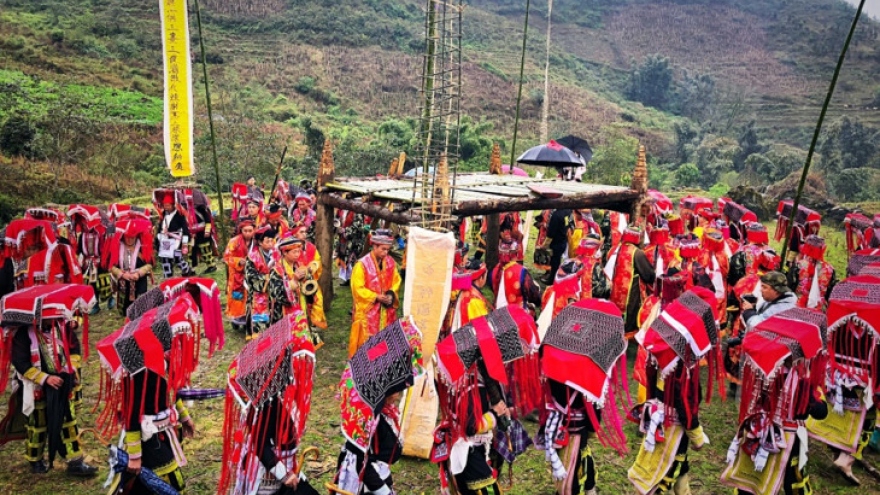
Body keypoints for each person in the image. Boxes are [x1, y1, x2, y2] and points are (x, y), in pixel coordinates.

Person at [720, 308, 828, 495]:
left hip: (755, 427)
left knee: (748, 480)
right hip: (785, 436)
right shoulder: (800, 379)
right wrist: (817, 397)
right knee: (794, 479)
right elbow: (819, 412)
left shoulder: (759, 366)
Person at [218, 312, 319, 495]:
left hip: (285, 465)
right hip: (270, 475)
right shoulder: (264, 404)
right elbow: (260, 444)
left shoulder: (275, 395)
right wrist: (284, 475)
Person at [1, 287, 98, 477]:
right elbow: (20, 363)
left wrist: (71, 369)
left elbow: (75, 349)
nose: (54, 319)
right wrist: (46, 379)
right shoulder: (23, 334)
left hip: (61, 384)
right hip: (36, 388)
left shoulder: (61, 326)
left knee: (68, 421)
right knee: (38, 426)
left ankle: (74, 461)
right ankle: (35, 459)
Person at [348, 229, 401, 357]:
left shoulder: (390, 262)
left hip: (385, 310)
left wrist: (391, 294)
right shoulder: (361, 265)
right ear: (374, 246)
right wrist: (375, 296)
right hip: (368, 312)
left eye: (388, 249)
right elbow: (357, 289)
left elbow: (396, 280)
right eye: (383, 249)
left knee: (386, 341)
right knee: (367, 344)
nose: (386, 252)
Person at [604, 226, 656, 338]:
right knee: (631, 314)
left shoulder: (616, 248)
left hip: (615, 290)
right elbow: (649, 276)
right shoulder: (637, 253)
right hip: (630, 292)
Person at [270, 233, 327, 334]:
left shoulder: (300, 266)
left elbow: (310, 285)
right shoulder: (276, 270)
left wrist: (308, 284)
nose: (297, 254)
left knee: (302, 335)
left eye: (298, 251)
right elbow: (277, 294)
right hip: (283, 312)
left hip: (301, 307)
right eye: (294, 252)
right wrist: (294, 281)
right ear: (284, 253)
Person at [106, 217, 154, 317]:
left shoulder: (143, 247)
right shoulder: (117, 247)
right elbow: (111, 266)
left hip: (139, 281)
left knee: (140, 309)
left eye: (132, 237)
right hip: (123, 282)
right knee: (125, 310)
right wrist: (122, 274)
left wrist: (138, 273)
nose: (129, 240)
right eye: (127, 237)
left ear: (137, 236)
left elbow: (150, 264)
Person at [490, 238, 542, 316]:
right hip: (515, 313)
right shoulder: (521, 271)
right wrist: (539, 300)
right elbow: (533, 294)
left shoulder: (495, 270)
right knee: (531, 312)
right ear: (515, 254)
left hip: (497, 311)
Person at [245, 227, 278, 340]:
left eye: (272, 240)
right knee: (260, 316)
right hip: (258, 294)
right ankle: (259, 336)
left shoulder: (276, 254)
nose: (270, 244)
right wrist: (268, 280)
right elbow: (251, 277)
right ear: (259, 242)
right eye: (267, 241)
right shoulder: (252, 257)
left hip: (273, 292)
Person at [223, 217, 256, 331]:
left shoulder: (256, 242)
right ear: (241, 230)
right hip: (237, 275)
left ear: (254, 230)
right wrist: (238, 261)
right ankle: (237, 317)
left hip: (251, 273)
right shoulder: (234, 241)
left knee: (251, 295)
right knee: (238, 297)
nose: (247, 233)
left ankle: (250, 317)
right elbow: (227, 257)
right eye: (245, 231)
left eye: (250, 231)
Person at [788, 234, 836, 311]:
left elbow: (790, 286)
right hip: (818, 307)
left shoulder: (799, 265)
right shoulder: (830, 269)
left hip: (798, 304)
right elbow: (830, 292)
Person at [154, 190, 194, 279]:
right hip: (165, 240)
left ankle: (187, 270)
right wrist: (157, 241)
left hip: (176, 241)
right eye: (165, 205)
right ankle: (168, 277)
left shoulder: (180, 215)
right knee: (165, 259)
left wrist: (184, 243)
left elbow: (185, 230)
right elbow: (160, 228)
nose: (166, 207)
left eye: (168, 205)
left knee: (178, 259)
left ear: (173, 205)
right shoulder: (163, 214)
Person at [541, 208, 571, 285]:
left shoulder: (556, 215)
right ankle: (554, 278)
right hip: (563, 240)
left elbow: (551, 233)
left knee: (554, 263)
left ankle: (552, 280)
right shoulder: (567, 211)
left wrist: (545, 245)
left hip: (556, 243)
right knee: (557, 261)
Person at [189, 199, 218, 274]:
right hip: (192, 234)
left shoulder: (201, 209)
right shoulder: (185, 210)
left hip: (203, 232)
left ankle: (212, 266)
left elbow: (208, 220)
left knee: (205, 250)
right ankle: (192, 269)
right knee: (191, 250)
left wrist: (207, 231)